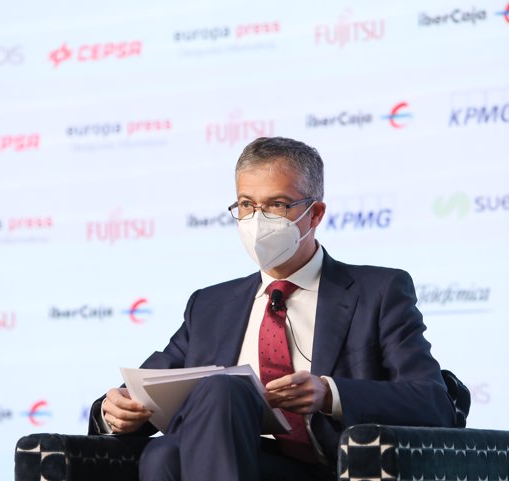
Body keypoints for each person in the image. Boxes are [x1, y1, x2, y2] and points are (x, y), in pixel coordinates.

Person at [89, 136, 458, 481]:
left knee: (217, 395)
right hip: (239, 462)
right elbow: (146, 387)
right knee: (165, 452)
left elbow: (432, 402)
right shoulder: (210, 305)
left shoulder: (377, 292)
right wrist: (114, 412)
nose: (257, 221)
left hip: (323, 467)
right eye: (247, 205)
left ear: (314, 215)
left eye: (276, 205)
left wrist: (329, 393)